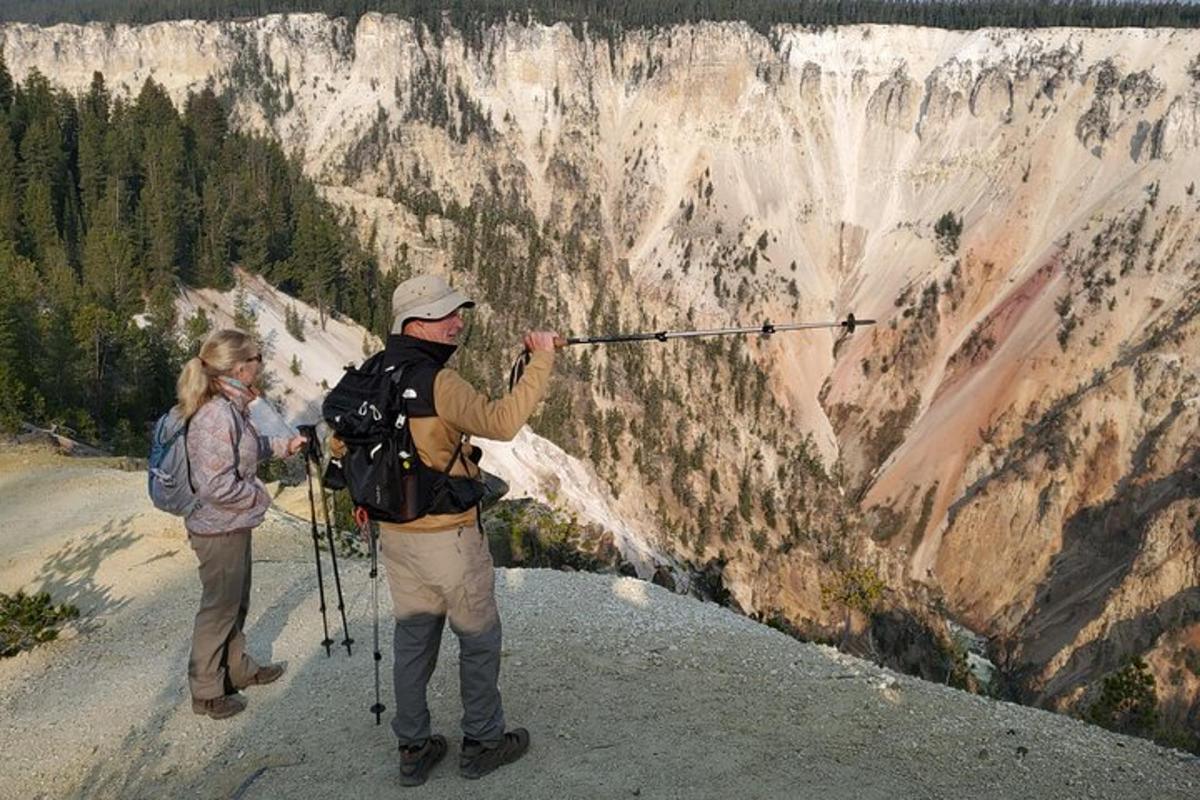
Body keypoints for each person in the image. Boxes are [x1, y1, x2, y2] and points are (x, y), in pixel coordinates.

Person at [341, 274, 557, 786]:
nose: (458, 322)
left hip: (396, 535)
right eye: (445, 315)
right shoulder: (439, 382)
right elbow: (501, 422)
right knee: (478, 636)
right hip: (449, 536)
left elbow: (341, 444)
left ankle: (413, 747)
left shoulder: (373, 374)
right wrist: (542, 357)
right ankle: (483, 740)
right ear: (416, 323)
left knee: (413, 639)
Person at [176, 328, 306, 720]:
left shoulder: (230, 405)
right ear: (239, 367)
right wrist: (260, 497)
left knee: (235, 602)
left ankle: (237, 671)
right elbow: (215, 484)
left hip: (229, 524)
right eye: (257, 361)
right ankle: (207, 691)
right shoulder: (216, 413)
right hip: (218, 527)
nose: (260, 367)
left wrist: (283, 445)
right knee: (218, 608)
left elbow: (245, 450)